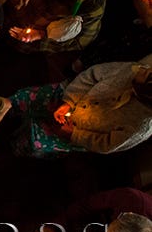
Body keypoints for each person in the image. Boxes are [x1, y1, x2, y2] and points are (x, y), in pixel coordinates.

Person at [9, 54, 152, 157]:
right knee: (25, 99)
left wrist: (73, 134)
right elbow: (92, 75)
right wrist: (68, 101)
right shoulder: (135, 70)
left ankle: (16, 142)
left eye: (146, 73)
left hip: (75, 132)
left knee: (33, 140)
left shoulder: (141, 126)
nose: (143, 68)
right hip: (70, 94)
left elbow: (107, 144)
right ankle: (7, 109)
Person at [36, 188, 152, 232]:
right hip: (95, 218)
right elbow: (86, 204)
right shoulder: (131, 199)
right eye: (109, 230)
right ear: (129, 214)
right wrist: (55, 225)